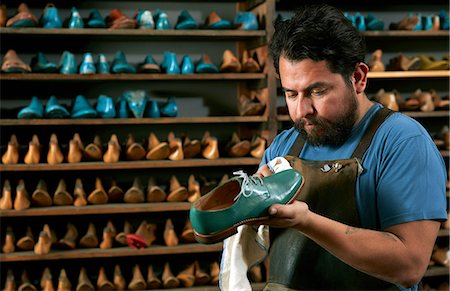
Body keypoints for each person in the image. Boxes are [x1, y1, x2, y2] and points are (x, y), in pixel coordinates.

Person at [254, 4, 448, 291]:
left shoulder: (402, 142)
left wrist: (306, 221)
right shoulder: (285, 145)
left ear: (358, 78)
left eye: (317, 91)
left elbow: (409, 266)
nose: (301, 110)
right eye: (290, 93)